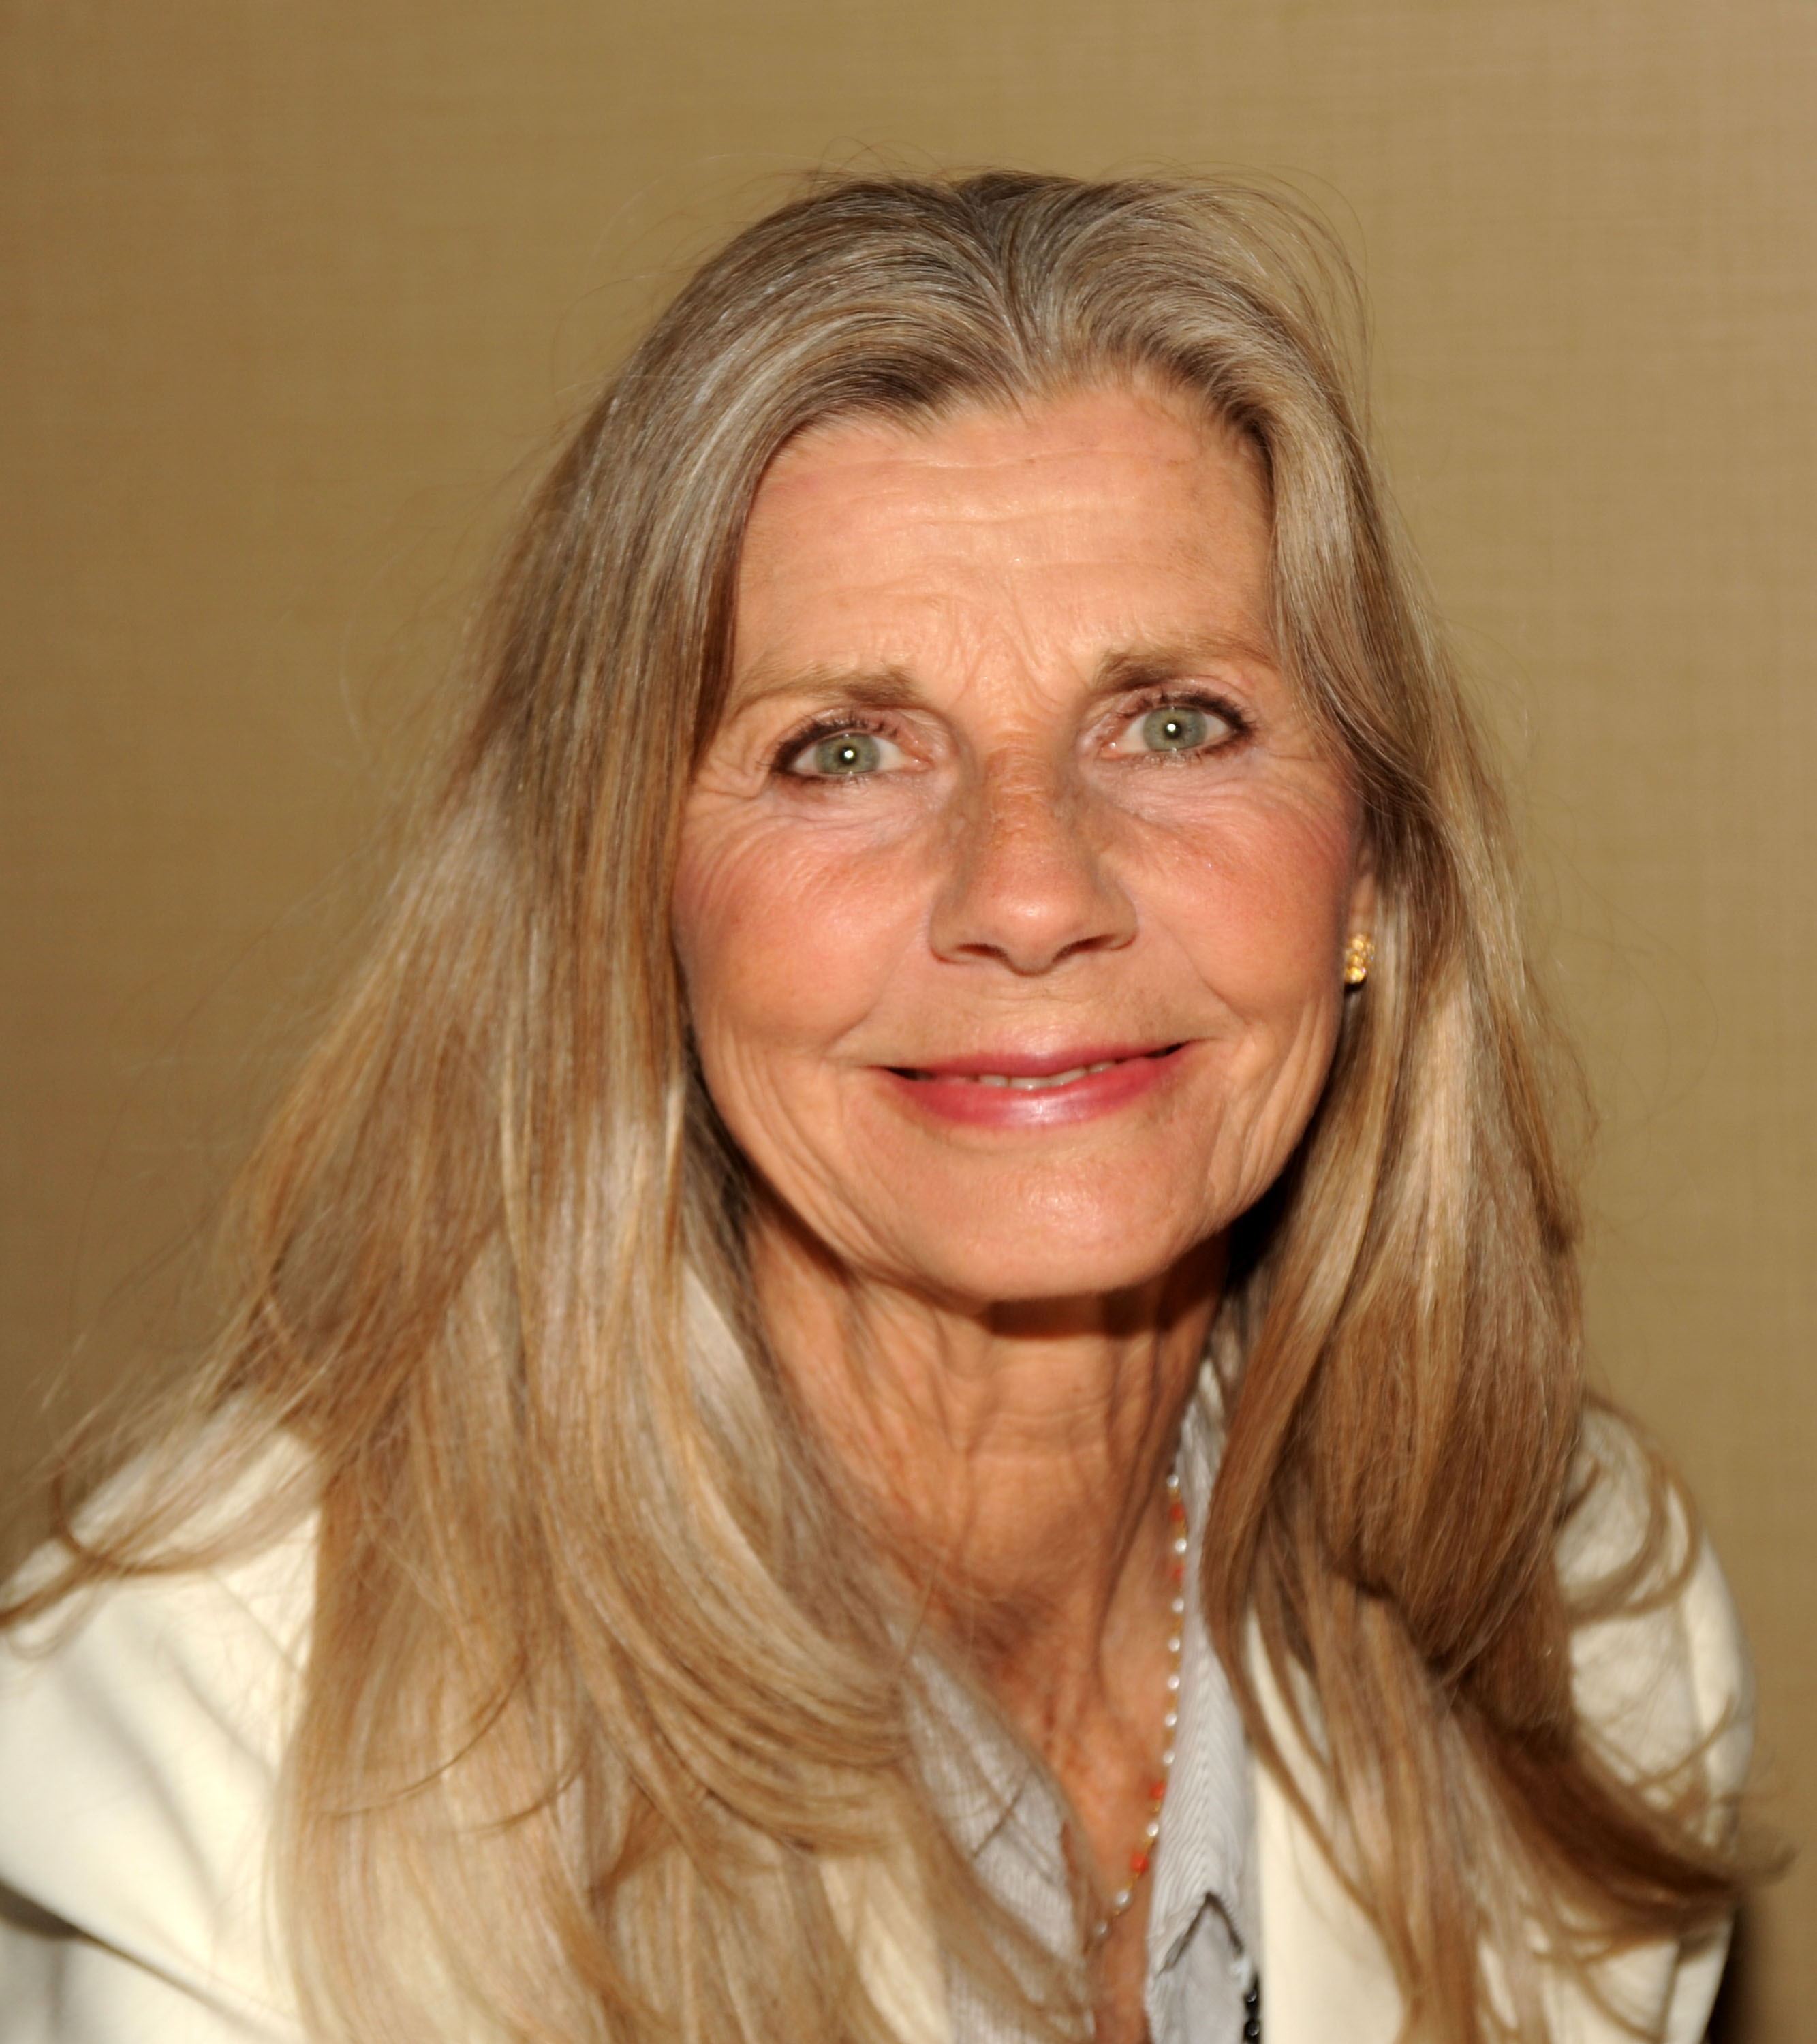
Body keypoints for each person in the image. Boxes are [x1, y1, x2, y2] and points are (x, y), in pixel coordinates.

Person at [0, 172, 1762, 2044]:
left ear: (1369, 880)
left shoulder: (1582, 1635)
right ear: (625, 908)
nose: (1027, 891)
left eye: (1172, 721)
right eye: (838, 749)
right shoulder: (219, 1767)